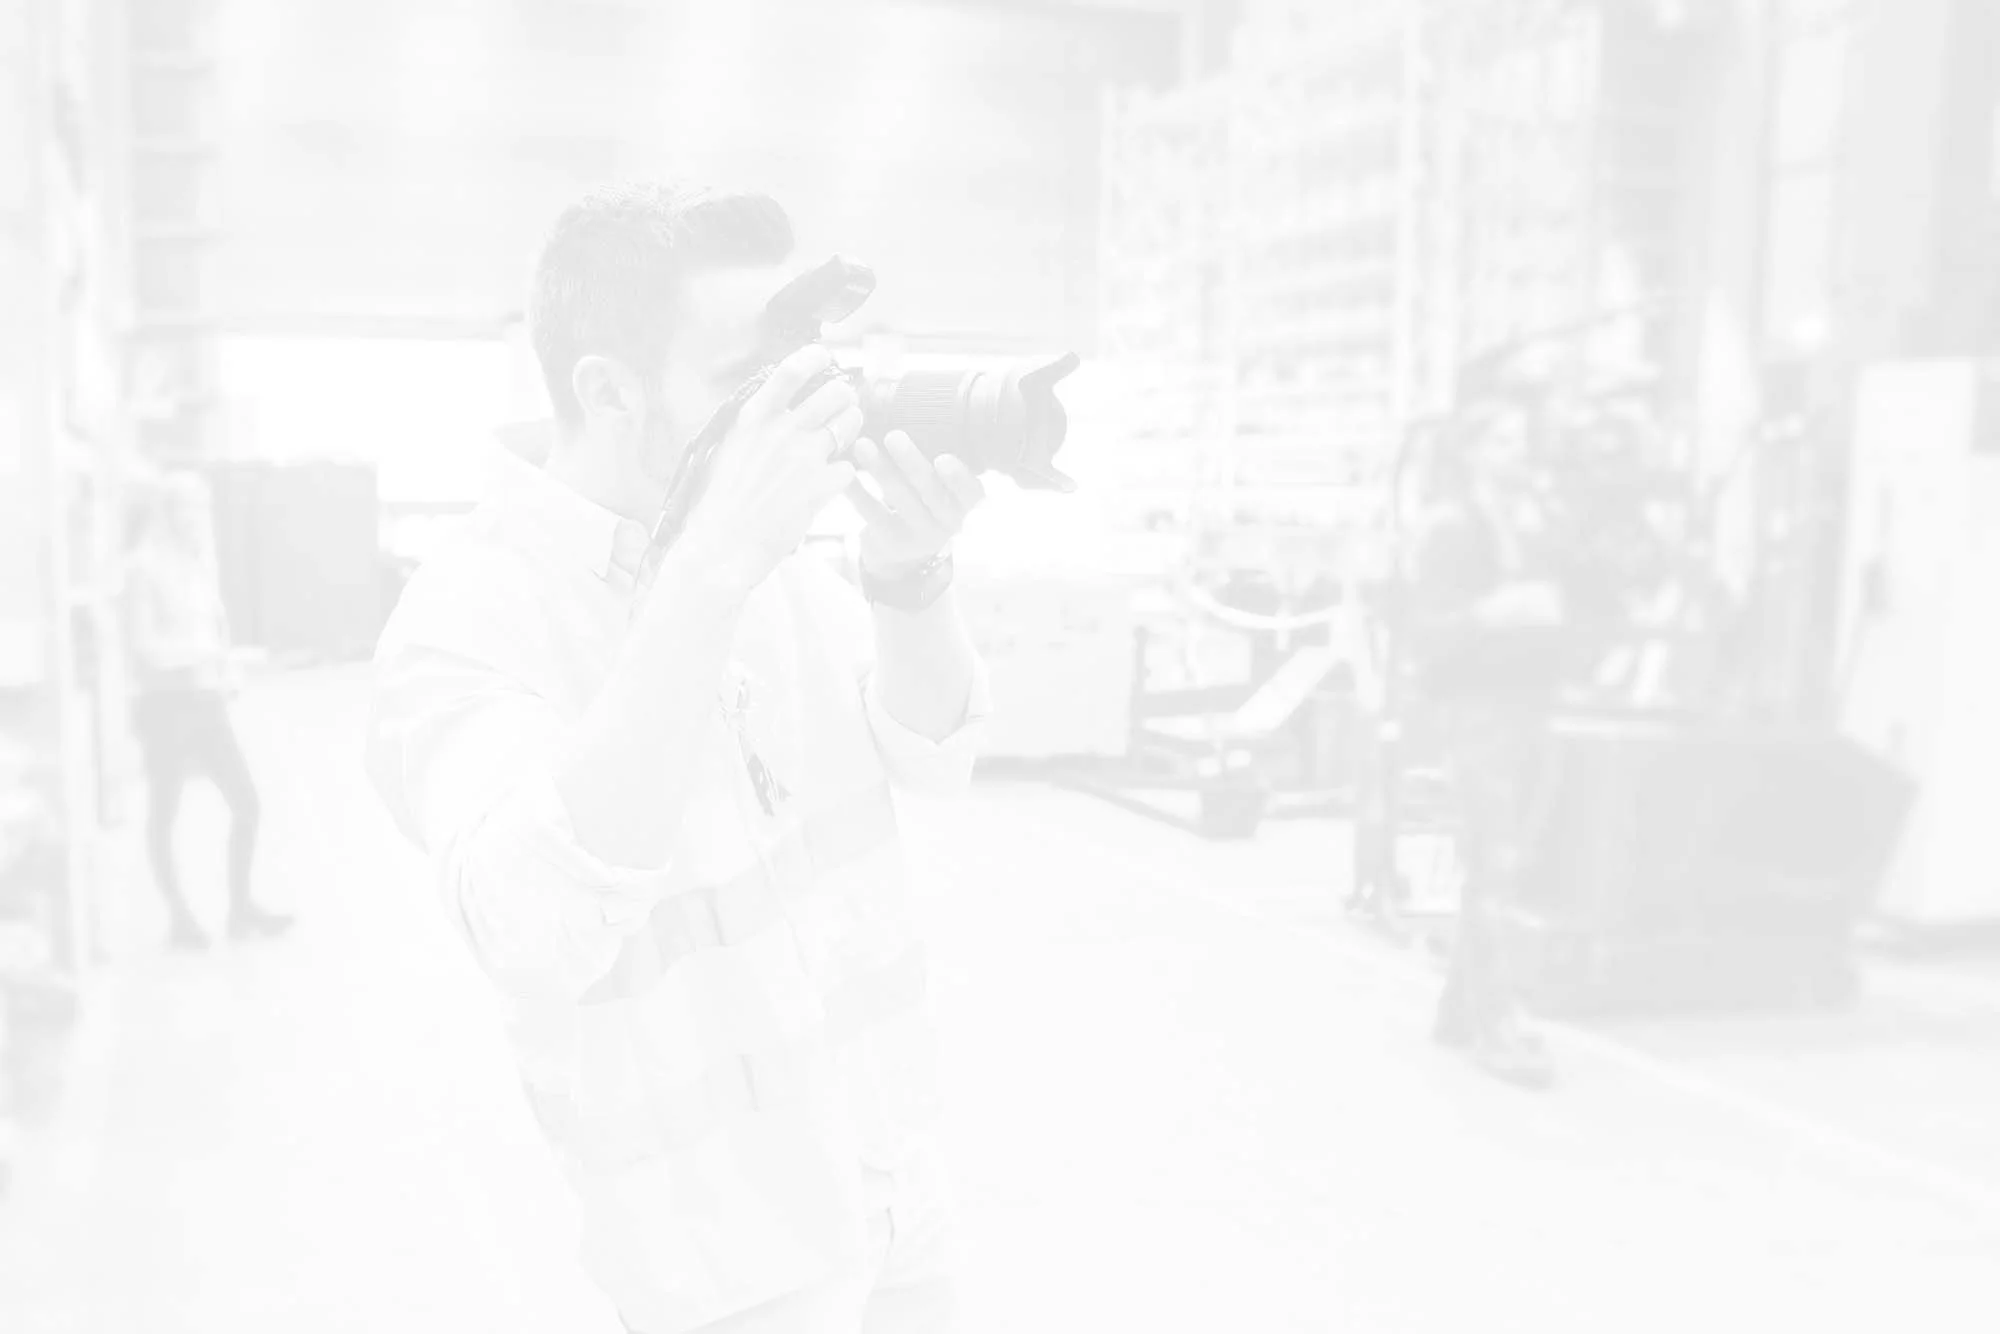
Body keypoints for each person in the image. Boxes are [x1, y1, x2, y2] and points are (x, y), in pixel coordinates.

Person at [366, 181, 991, 1334]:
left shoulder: (775, 552)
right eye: (744, 380)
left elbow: (932, 754)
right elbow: (535, 924)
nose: (790, 417)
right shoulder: (464, 627)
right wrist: (707, 571)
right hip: (726, 1259)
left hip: (891, 1180)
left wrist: (908, 577)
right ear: (608, 390)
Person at [1400, 397, 1574, 1090]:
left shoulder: (1527, 523)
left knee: (1498, 858)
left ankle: (1460, 1009)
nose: (1517, 452)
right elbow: (1427, 632)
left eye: (1521, 439)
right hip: (1478, 712)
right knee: (1498, 860)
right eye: (1502, 441)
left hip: (1528, 702)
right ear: (1471, 451)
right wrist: (1492, 612)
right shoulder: (1451, 528)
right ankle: (1498, 1018)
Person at [124, 473, 290, 948]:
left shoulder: (198, 561)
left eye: (203, 508)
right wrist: (203, 655)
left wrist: (225, 668)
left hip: (205, 701)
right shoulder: (142, 568)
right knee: (165, 813)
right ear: (167, 511)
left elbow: (212, 628)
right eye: (188, 508)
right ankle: (179, 919)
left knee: (247, 804)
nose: (198, 517)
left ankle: (240, 909)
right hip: (165, 708)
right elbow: (145, 648)